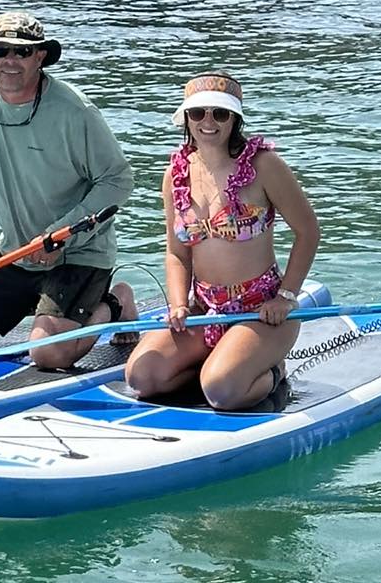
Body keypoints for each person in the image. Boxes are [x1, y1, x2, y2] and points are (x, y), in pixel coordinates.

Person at [0, 12, 134, 369]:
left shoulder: (75, 110)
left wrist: (61, 235)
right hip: (16, 252)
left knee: (48, 355)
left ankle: (117, 302)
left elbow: (118, 180)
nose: (10, 60)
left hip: (77, 254)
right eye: (0, 50)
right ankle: (39, 306)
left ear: (40, 56)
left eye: (22, 52)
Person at [124, 72, 319, 411]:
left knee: (223, 391)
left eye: (220, 113)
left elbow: (308, 231)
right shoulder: (175, 175)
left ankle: (272, 369)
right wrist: (178, 305)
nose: (208, 122)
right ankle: (219, 365)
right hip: (205, 309)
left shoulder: (264, 165)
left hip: (263, 312)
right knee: (142, 377)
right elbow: (177, 252)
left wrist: (286, 297)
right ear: (187, 118)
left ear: (235, 119)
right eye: (198, 113)